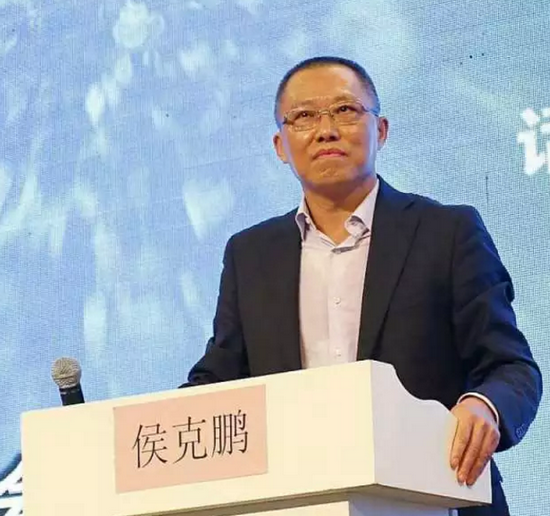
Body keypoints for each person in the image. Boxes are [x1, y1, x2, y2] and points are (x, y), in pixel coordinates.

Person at [182, 56, 542, 515]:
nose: (325, 130)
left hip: (436, 496)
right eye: (304, 116)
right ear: (280, 145)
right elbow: (219, 380)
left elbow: (512, 367)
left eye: (345, 110)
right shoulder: (250, 254)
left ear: (382, 130)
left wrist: (486, 406)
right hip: (301, 500)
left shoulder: (447, 232)